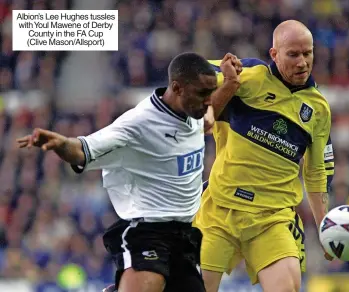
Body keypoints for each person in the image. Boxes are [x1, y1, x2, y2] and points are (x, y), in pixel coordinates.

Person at [17, 52, 238, 292]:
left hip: (184, 235)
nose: (208, 101)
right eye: (202, 94)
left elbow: (208, 116)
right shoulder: (138, 124)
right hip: (147, 232)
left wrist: (229, 84)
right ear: (177, 87)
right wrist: (61, 144)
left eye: (210, 93)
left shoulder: (192, 112)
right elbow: (84, 150)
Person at [193, 20, 335, 292]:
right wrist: (227, 83)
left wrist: (323, 227)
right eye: (293, 54)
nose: (302, 62)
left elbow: (316, 173)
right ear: (274, 54)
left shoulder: (318, 109)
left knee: (288, 287)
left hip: (272, 219)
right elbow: (193, 87)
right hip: (221, 211)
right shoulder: (248, 75)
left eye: (308, 53)